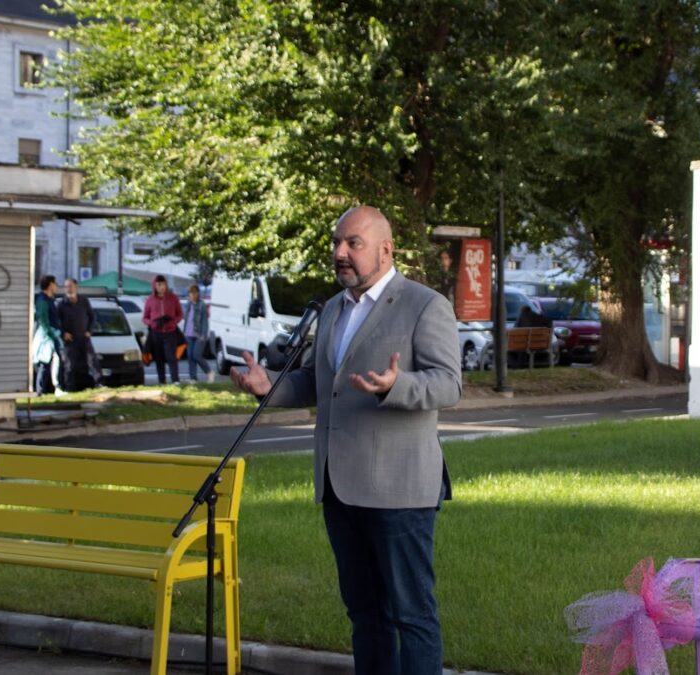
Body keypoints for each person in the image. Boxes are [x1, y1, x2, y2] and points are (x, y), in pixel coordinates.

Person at [231, 205, 461, 675]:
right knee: (365, 614)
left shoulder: (425, 305)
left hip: (400, 491)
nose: (340, 253)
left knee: (411, 614)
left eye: (352, 244)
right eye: (337, 243)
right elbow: (320, 383)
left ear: (385, 249)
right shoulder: (334, 308)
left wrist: (396, 387)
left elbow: (448, 385)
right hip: (340, 486)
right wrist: (269, 385)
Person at [56, 278, 102, 390]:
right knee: (69, 365)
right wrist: (63, 333)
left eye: (70, 286)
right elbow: (56, 322)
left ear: (76, 287)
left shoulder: (83, 301)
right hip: (70, 339)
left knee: (92, 361)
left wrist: (89, 331)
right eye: (66, 286)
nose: (68, 289)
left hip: (84, 337)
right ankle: (69, 387)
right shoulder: (62, 304)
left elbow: (92, 316)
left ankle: (99, 383)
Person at [142, 274, 183, 384]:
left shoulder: (173, 298)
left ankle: (175, 380)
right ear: (155, 286)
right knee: (159, 358)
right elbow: (144, 318)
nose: (161, 287)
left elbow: (180, 314)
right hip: (156, 333)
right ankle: (162, 380)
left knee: (171, 357)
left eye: (163, 284)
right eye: (159, 284)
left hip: (170, 332)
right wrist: (152, 323)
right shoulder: (150, 300)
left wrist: (173, 321)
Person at [31, 275, 63, 394]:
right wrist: (51, 334)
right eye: (55, 283)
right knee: (46, 363)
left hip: (51, 335)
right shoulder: (43, 300)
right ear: (50, 285)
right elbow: (43, 320)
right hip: (47, 337)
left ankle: (53, 388)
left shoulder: (49, 299)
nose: (56, 286)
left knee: (52, 362)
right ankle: (42, 390)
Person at [183, 284, 214, 383]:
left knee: (196, 355)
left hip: (199, 334)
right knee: (190, 356)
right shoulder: (188, 304)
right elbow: (187, 320)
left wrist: (204, 335)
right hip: (188, 334)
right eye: (190, 293)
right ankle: (193, 378)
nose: (192, 295)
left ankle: (209, 372)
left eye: (194, 292)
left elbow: (205, 321)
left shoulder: (201, 305)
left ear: (198, 294)